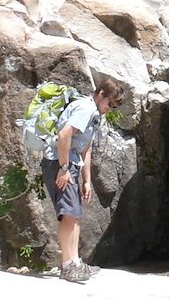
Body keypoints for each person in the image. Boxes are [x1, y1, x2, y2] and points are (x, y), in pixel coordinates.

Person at [42, 78, 123, 284]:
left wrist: (87, 181)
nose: (110, 109)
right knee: (68, 214)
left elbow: (85, 149)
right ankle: (67, 265)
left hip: (72, 165)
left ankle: (76, 262)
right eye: (110, 104)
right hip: (60, 163)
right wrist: (63, 168)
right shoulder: (85, 108)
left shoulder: (94, 115)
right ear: (101, 94)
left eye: (114, 107)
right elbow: (64, 134)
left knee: (75, 214)